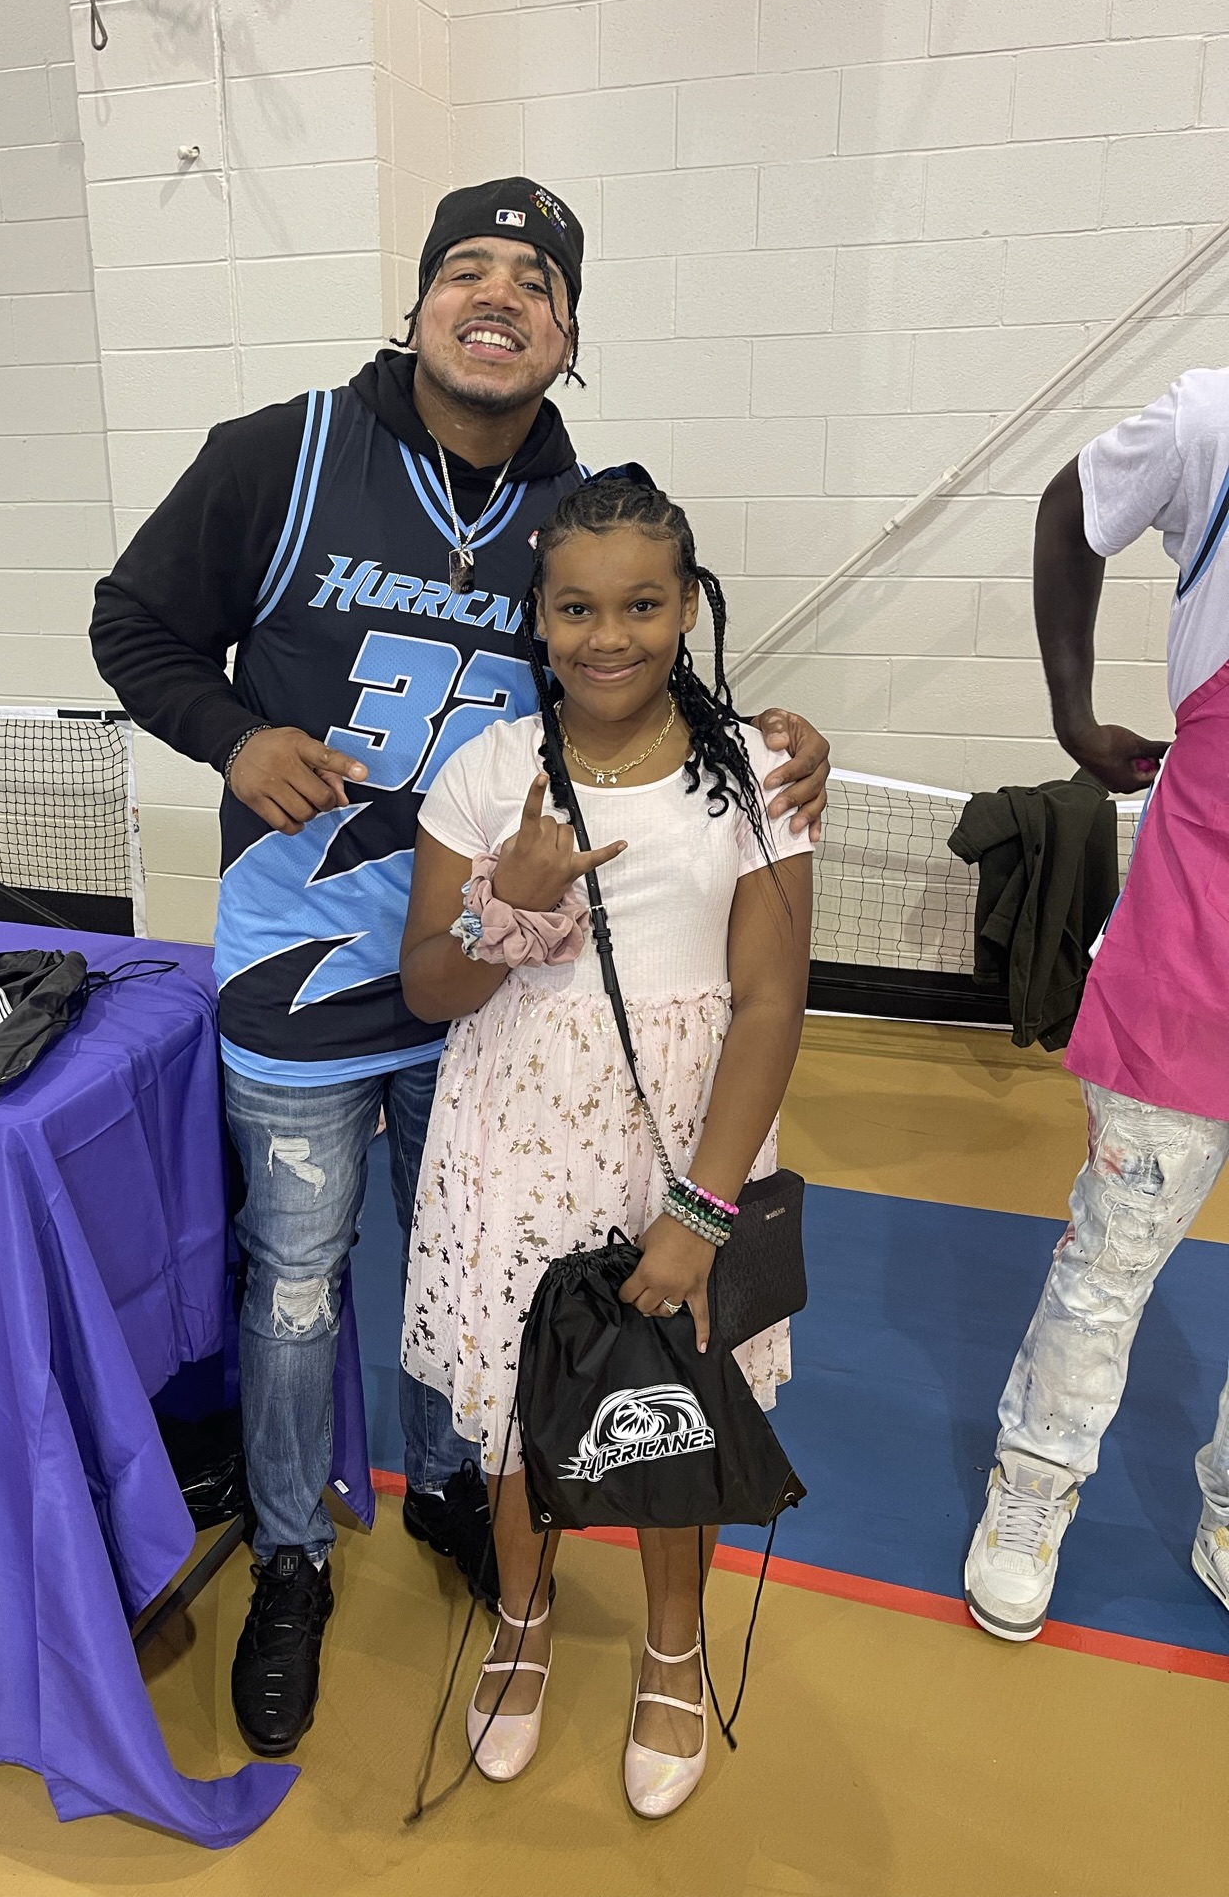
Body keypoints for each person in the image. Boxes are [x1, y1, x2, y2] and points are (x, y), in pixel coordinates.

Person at [90, 179, 831, 1761]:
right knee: (297, 1289)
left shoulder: (572, 500)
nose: (498, 298)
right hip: (304, 972)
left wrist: (773, 736)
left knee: (474, 1279)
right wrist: (234, 736)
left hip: (498, 1002)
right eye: (467, 271)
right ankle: (292, 1557)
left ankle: (454, 1492)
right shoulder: (279, 455)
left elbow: (627, 665)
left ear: (567, 334)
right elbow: (132, 624)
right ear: (419, 299)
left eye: (535, 282)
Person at [398, 474, 814, 1817]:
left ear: (688, 606)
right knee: (522, 1408)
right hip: (512, 1136)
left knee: (673, 1394)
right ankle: (522, 1621)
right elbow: (428, 989)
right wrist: (503, 910)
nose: (609, 635)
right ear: (539, 613)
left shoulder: (754, 777)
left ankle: (672, 1644)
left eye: (642, 604)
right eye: (576, 607)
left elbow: (771, 1000)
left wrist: (701, 1211)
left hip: (682, 1141)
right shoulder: (486, 771)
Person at [964, 368, 1229, 1643]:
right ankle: (1034, 1481)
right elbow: (1072, 506)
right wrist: (1070, 711)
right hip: (1200, 931)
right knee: (1112, 1256)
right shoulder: (1214, 420)